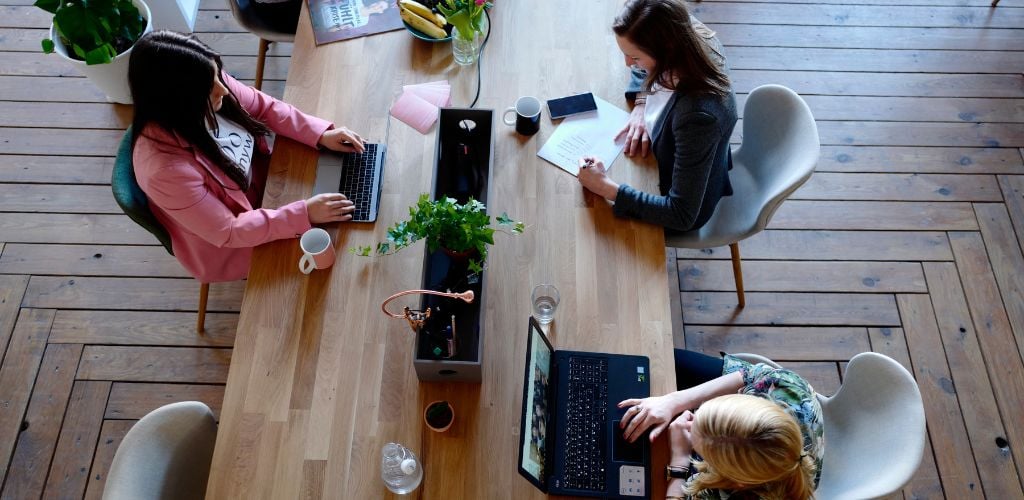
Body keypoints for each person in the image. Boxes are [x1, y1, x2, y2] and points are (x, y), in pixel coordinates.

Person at [129, 31, 365, 283]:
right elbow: (229, 231)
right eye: (211, 87)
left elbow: (264, 107)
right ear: (178, 101)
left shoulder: (205, 83)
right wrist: (303, 213)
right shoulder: (164, 172)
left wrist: (320, 134)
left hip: (268, 188)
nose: (224, 89)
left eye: (218, 75)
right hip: (234, 242)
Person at [576, 0, 737, 233]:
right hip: (671, 158)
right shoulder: (682, 31)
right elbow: (645, 70)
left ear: (666, 51)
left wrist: (606, 187)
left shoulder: (698, 117)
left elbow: (681, 214)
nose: (628, 64)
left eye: (635, 57)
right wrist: (642, 103)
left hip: (677, 202)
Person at [618, 351, 823, 499]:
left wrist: (679, 461)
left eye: (699, 448)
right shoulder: (788, 388)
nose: (690, 418)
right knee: (656, 358)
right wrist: (673, 401)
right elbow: (746, 375)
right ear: (747, 400)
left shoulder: (732, 494)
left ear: (735, 480)